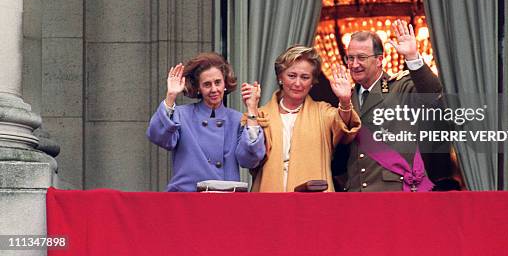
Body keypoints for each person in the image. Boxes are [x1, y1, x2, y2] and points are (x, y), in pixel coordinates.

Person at [341, 19, 455, 192]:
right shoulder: (346, 97)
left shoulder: (400, 87)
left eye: (362, 58)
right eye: (350, 58)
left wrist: (412, 57)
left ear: (379, 60)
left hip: (393, 192)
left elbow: (431, 93)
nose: (354, 64)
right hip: (357, 194)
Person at [241, 45, 361, 192]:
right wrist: (252, 109)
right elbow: (248, 159)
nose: (297, 83)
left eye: (305, 77)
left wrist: (344, 100)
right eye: (291, 75)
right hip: (269, 200)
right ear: (280, 77)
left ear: (312, 82)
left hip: (313, 202)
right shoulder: (261, 115)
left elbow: (345, 126)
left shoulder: (322, 112)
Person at [147, 52, 265, 192]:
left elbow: (250, 160)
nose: (214, 89)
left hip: (225, 200)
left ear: (225, 84)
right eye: (207, 84)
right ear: (198, 88)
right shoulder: (181, 115)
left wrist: (252, 109)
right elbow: (160, 138)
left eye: (218, 82)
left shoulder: (237, 120)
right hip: (187, 199)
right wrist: (171, 96)